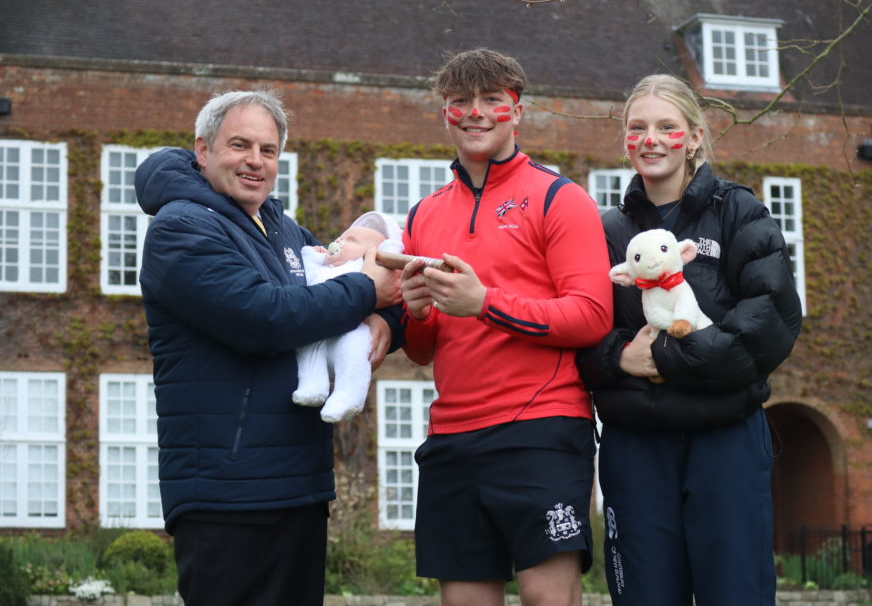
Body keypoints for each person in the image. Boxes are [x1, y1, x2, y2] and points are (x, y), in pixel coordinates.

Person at [134, 90, 402, 606]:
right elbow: (263, 318)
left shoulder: (280, 227)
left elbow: (337, 281)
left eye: (268, 150)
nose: (255, 161)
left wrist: (385, 318)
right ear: (203, 150)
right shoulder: (181, 228)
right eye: (240, 145)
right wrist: (369, 293)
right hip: (228, 495)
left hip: (299, 486)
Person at [576, 74, 803, 605]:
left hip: (725, 440)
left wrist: (663, 357)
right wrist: (617, 357)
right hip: (636, 445)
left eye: (666, 127)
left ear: (695, 137)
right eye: (637, 128)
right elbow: (578, 328)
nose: (650, 139)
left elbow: (770, 321)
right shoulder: (604, 231)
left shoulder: (739, 212)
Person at [398, 48, 614, 606]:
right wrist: (417, 314)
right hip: (451, 435)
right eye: (460, 100)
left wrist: (484, 303)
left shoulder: (560, 197)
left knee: (548, 597)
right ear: (445, 113)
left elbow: (592, 316)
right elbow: (422, 350)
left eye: (491, 99)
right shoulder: (423, 214)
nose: (475, 112)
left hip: (540, 428)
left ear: (516, 111)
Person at [293, 210, 403, 422]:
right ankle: (312, 384)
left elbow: (394, 285)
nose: (338, 242)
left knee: (354, 346)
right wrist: (313, 254)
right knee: (307, 344)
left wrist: (386, 319)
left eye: (351, 240)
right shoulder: (321, 265)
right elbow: (303, 265)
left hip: (353, 329)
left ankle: (349, 394)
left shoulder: (364, 268)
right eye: (339, 238)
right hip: (316, 327)